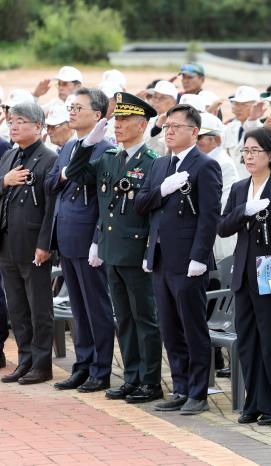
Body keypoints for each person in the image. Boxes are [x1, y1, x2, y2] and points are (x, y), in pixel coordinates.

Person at [65, 92, 164, 403]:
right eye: (116, 119)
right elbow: (76, 174)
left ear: (142, 124)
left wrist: (149, 252)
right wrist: (86, 144)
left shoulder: (151, 163)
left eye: (124, 120)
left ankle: (151, 381)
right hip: (111, 250)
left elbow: (151, 213)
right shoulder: (109, 158)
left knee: (144, 320)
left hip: (135, 252)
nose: (117, 125)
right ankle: (132, 377)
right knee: (124, 318)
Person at [135, 104, 222, 415]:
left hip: (188, 260)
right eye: (167, 126)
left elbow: (209, 217)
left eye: (176, 127)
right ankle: (181, 386)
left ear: (194, 132)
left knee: (192, 327)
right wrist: (162, 189)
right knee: (170, 328)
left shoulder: (205, 165)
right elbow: (142, 204)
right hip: (160, 256)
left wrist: (200, 256)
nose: (168, 132)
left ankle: (198, 392)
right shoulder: (160, 165)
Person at [218, 127, 271, 425]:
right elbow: (223, 226)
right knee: (248, 341)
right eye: (246, 151)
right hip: (244, 275)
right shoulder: (240, 187)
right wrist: (244, 212)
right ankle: (252, 401)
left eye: (255, 151)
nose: (249, 156)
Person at [46, 88, 115, 393]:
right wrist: (62, 176)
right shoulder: (68, 147)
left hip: (88, 237)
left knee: (96, 307)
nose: (71, 112)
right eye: (70, 107)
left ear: (98, 115)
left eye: (78, 107)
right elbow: (50, 184)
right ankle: (82, 365)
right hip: (66, 235)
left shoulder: (105, 150)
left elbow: (105, 202)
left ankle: (101, 369)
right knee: (77, 306)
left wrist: (98, 240)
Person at [0, 102, 57, 385]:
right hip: (7, 240)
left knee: (39, 306)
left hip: (34, 243)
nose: (14, 125)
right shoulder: (10, 155)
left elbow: (51, 207)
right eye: (11, 121)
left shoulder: (48, 158)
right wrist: (4, 181)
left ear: (38, 126)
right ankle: (25, 360)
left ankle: (42, 363)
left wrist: (45, 244)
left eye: (21, 121)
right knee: (17, 306)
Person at [197, 112, 238, 263]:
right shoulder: (202, 159)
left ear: (217, 140)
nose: (195, 141)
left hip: (217, 243)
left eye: (200, 137)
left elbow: (222, 206)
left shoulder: (223, 163)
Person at [145, 80, 179, 156]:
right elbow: (146, 147)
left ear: (174, 102)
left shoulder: (179, 123)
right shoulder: (148, 119)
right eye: (155, 97)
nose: (156, 101)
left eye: (162, 98)